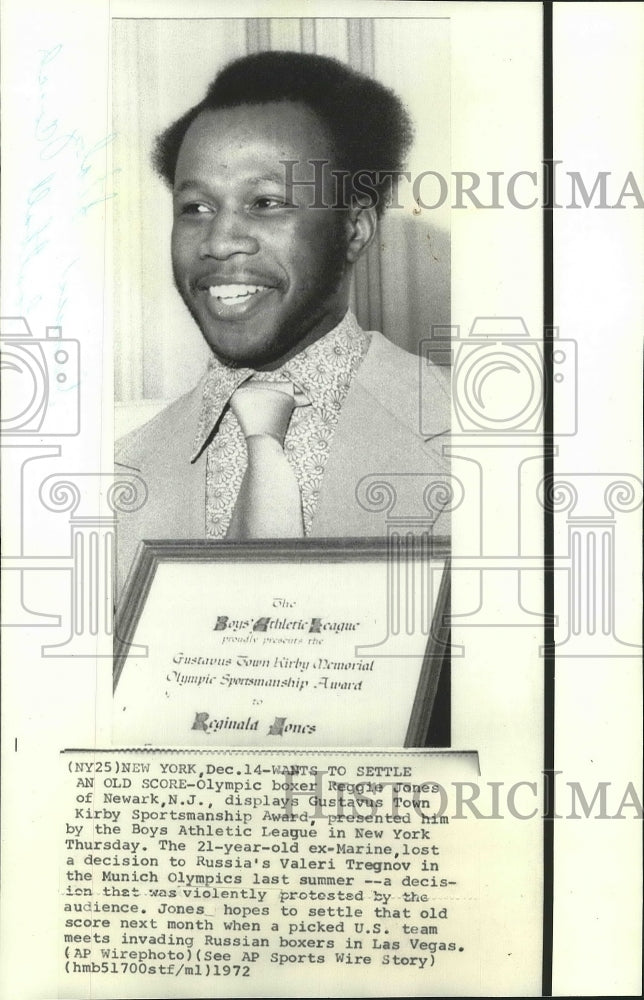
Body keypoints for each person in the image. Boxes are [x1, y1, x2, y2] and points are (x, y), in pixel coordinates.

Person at [114, 50, 450, 597]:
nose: (220, 242)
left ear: (355, 229)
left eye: (266, 202)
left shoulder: (478, 441)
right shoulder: (112, 474)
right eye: (195, 208)